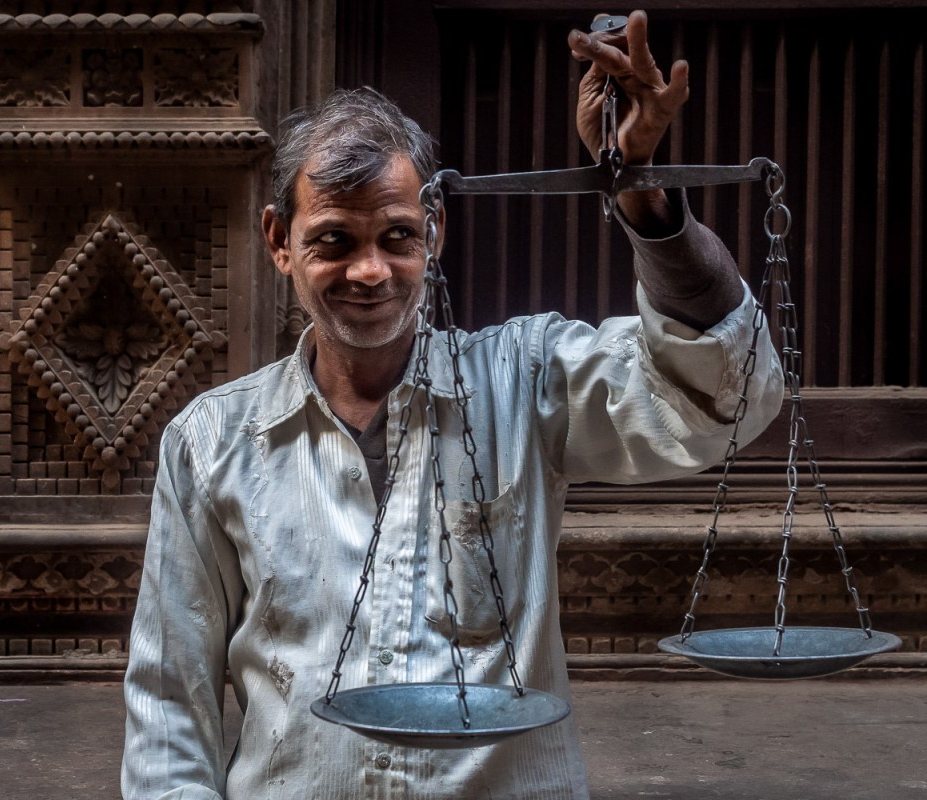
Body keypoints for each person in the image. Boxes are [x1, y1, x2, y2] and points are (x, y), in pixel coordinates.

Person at [122, 10, 783, 799]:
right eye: (334, 240)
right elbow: (170, 704)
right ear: (279, 241)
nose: (370, 271)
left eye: (396, 236)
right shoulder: (211, 442)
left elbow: (724, 398)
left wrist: (643, 193)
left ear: (434, 233)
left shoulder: (527, 379)